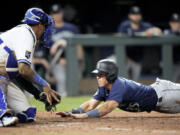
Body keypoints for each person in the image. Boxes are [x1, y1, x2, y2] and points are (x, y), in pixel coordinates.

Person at [57, 59, 180, 119]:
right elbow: (90, 104)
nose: (97, 77)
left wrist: (84, 116)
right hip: (159, 106)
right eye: (97, 75)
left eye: (100, 75)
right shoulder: (104, 88)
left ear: (109, 75)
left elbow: (107, 108)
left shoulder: (118, 85)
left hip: (165, 93)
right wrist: (72, 112)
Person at [0, 8, 60, 127]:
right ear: (38, 25)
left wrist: (38, 94)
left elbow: (18, 74)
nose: (46, 30)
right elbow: (24, 69)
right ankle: (2, 115)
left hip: (3, 79)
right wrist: (44, 84)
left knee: (26, 114)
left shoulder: (24, 35)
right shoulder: (26, 34)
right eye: (45, 26)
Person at [116, 6, 162, 81]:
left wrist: (152, 31)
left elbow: (159, 31)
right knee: (122, 81)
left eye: (138, 14)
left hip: (138, 59)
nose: (136, 16)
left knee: (134, 83)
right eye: (134, 14)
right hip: (125, 57)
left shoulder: (145, 26)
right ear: (129, 16)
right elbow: (118, 39)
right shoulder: (124, 25)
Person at [49, 4, 84, 97]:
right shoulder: (49, 30)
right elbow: (48, 50)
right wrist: (60, 60)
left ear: (62, 13)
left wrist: (79, 60)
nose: (57, 15)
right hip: (58, 62)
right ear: (51, 15)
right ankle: (62, 99)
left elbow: (79, 45)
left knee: (76, 82)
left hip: (74, 60)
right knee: (62, 79)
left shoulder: (71, 27)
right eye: (54, 14)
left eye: (58, 13)